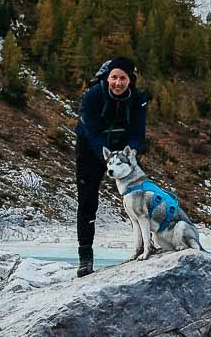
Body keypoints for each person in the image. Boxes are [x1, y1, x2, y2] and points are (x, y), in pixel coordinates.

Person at [74, 56, 148, 277]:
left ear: (130, 80)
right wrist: (108, 158)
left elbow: (138, 133)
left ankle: (145, 246)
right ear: (107, 78)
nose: (118, 82)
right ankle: (85, 257)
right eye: (114, 77)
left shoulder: (138, 99)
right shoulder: (92, 96)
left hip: (123, 152)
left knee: (140, 197)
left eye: (123, 78)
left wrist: (132, 152)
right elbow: (92, 133)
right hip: (91, 149)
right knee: (87, 201)